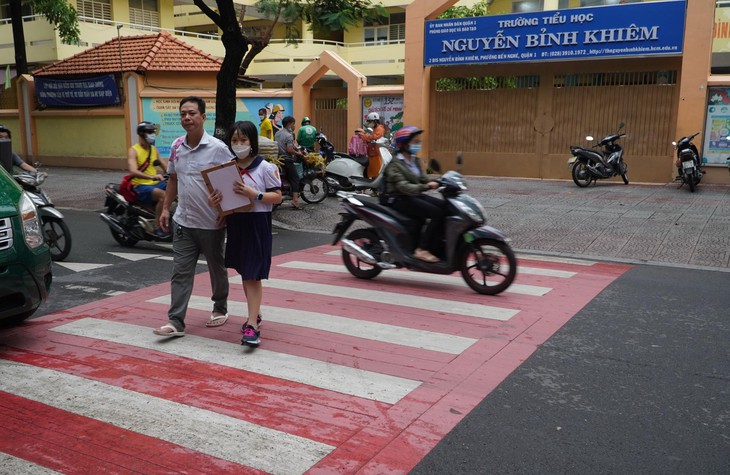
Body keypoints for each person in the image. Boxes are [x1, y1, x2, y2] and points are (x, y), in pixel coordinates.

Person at [153, 96, 232, 337]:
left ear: (203, 117)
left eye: (192, 114)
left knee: (216, 268)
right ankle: (176, 321)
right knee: (180, 271)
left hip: (211, 222)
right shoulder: (177, 146)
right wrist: (166, 208)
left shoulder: (218, 149)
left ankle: (220, 306)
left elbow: (230, 183)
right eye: (183, 114)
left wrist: (226, 214)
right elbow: (173, 179)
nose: (187, 118)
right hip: (184, 221)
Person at [208, 121, 282, 346]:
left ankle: (252, 325)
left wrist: (255, 194)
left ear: (252, 142)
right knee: (245, 271)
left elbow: (277, 196)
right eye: (234, 141)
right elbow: (222, 197)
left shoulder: (265, 168)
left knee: (252, 274)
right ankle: (254, 313)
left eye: (243, 140)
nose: (238, 145)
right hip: (237, 222)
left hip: (257, 223)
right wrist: (215, 203)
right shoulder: (228, 168)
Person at [382, 126, 444, 263]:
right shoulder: (394, 165)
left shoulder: (414, 160)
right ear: (404, 144)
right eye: (415, 142)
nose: (418, 145)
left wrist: (440, 181)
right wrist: (425, 186)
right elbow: (404, 187)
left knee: (446, 206)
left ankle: (437, 244)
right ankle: (421, 249)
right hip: (399, 198)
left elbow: (423, 177)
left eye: (418, 142)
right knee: (437, 213)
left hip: (413, 195)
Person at [128, 121, 168, 237]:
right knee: (163, 195)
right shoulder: (133, 150)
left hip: (154, 184)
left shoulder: (153, 150)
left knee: (175, 189)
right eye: (149, 132)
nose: (152, 135)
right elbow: (133, 171)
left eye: (153, 132)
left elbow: (165, 167)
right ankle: (157, 227)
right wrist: (152, 176)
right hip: (140, 186)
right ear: (141, 134)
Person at [275, 115, 306, 209]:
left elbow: (289, 145)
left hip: (278, 159)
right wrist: (299, 154)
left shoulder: (278, 133)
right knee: (295, 179)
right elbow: (289, 149)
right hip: (287, 160)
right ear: (289, 124)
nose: (294, 126)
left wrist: (296, 148)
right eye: (293, 124)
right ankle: (295, 202)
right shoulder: (289, 135)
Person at [356, 112, 386, 178]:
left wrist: (364, 136)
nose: (369, 123)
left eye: (370, 121)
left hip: (376, 151)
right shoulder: (374, 129)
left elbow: (374, 137)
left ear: (374, 121)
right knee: (372, 168)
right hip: (372, 151)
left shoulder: (380, 129)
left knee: (376, 169)